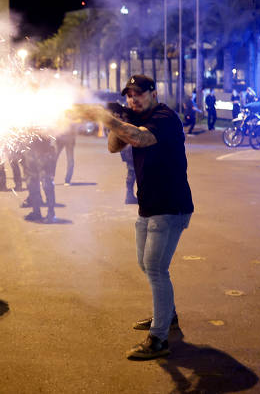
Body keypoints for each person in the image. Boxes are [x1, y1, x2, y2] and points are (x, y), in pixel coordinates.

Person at [72, 74, 194, 360]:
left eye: (138, 93)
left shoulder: (165, 117)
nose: (133, 98)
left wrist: (106, 117)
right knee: (146, 265)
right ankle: (167, 315)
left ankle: (159, 339)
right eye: (129, 94)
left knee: (155, 268)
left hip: (170, 206)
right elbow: (114, 146)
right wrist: (116, 118)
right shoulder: (133, 117)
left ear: (153, 93)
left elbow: (139, 138)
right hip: (148, 205)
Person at [22, 135, 58, 223]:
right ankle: (37, 213)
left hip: (44, 152)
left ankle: (50, 214)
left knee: (47, 184)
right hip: (32, 151)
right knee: (33, 184)